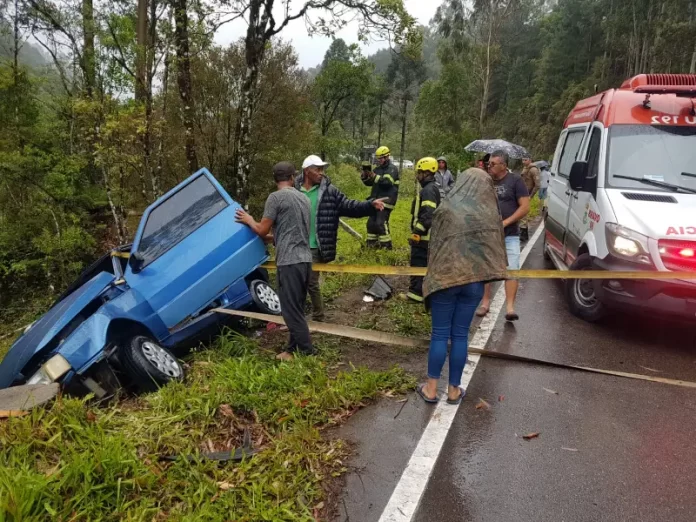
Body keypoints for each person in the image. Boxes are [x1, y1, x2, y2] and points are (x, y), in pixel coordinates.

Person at [417, 168, 508, 404]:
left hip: (445, 280)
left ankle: (431, 389)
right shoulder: (490, 214)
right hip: (474, 284)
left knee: (439, 334)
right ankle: (454, 390)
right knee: (460, 336)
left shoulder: (447, 209)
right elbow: (495, 248)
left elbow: (434, 244)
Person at [235, 161, 314, 361]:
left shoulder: (275, 198)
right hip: (305, 260)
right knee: (296, 306)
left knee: (289, 309)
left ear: (275, 179)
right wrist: (270, 237)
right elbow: (287, 234)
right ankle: (292, 349)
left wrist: (249, 220)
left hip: (289, 261)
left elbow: (262, 229)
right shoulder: (304, 199)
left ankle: (306, 351)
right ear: (292, 177)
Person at [296, 155, 386, 321]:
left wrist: (369, 204)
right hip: (295, 246)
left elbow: (349, 206)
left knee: (310, 282)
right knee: (296, 283)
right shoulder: (293, 191)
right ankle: (298, 317)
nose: (321, 173)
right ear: (307, 171)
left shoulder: (330, 191)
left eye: (322, 169)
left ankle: (317, 317)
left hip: (316, 245)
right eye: (317, 169)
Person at [476, 150, 530, 322]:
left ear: (504, 165)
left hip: (510, 235)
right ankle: (485, 303)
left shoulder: (516, 181)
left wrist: (505, 222)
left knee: (512, 270)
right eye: (488, 164)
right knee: (486, 270)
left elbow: (525, 207)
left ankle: (510, 308)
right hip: (488, 234)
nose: (489, 166)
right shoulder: (486, 180)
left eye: (493, 164)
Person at [402, 157, 441, 303]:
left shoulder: (429, 191)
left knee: (418, 264)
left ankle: (415, 296)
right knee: (422, 265)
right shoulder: (430, 189)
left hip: (424, 238)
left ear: (427, 173)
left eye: (419, 173)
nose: (417, 176)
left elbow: (427, 215)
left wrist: (416, 233)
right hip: (427, 237)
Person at [361, 146, 400, 249]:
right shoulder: (377, 169)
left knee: (380, 223)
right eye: (378, 158)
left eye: (381, 158)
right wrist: (365, 177)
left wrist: (374, 176)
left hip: (387, 201)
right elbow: (370, 183)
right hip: (375, 201)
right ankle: (371, 246)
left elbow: (387, 183)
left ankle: (387, 247)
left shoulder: (392, 169)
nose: (379, 160)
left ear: (387, 156)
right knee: (371, 224)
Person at [519, 153, 540, 242]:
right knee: (521, 213)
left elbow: (537, 185)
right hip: (521, 192)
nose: (524, 161)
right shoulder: (525, 168)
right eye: (523, 160)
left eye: (526, 160)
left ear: (530, 160)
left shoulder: (533, 169)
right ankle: (522, 233)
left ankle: (523, 234)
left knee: (523, 213)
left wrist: (530, 196)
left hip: (527, 193)